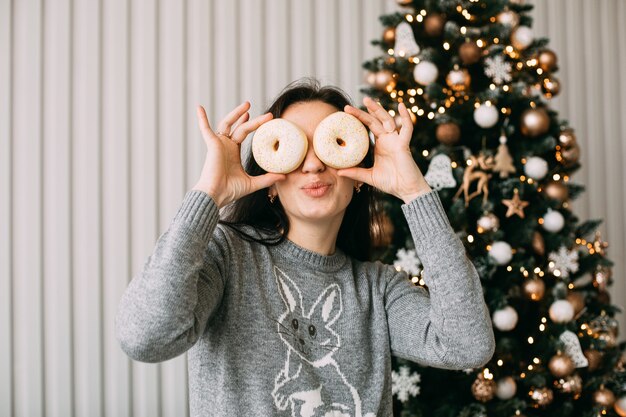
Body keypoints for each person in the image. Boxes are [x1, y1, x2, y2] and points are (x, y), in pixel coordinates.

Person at [115, 78, 495, 416]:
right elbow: (145, 338)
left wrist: (414, 192)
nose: (313, 164)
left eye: (331, 147)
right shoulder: (227, 256)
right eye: (295, 149)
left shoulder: (378, 289)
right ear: (271, 180)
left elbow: (467, 346)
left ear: (358, 177)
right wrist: (208, 195)